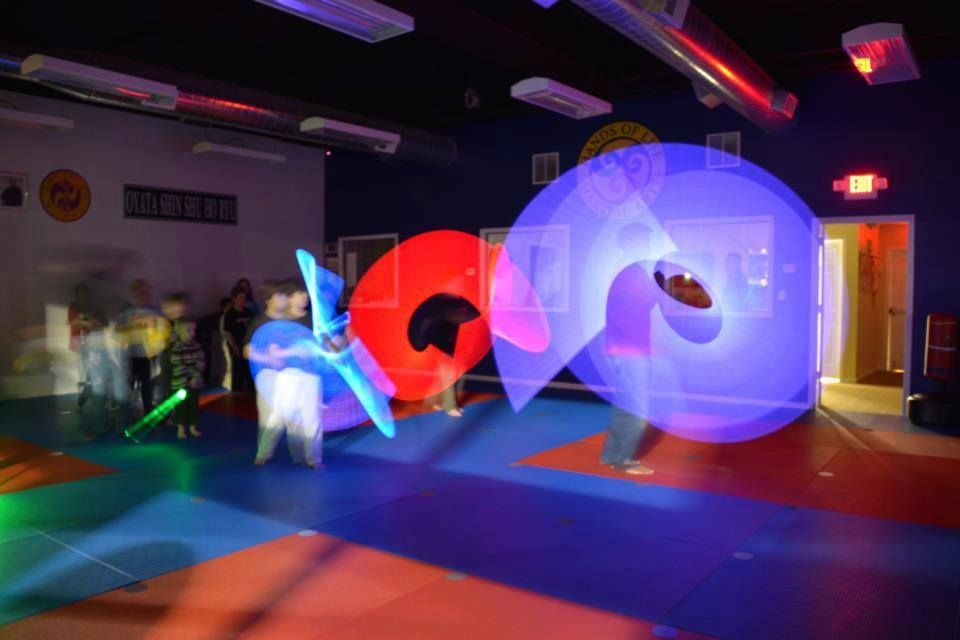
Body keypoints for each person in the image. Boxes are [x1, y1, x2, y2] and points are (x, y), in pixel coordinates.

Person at [601, 223, 658, 475]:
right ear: (629, 244)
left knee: (625, 404)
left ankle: (612, 456)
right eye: (642, 240)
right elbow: (633, 310)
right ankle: (623, 459)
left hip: (622, 348)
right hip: (630, 350)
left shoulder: (626, 270)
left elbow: (636, 307)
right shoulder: (631, 273)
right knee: (637, 409)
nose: (646, 245)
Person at [115, 279, 167, 417]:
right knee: (129, 384)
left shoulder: (156, 311)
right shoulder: (127, 312)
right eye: (139, 291)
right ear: (134, 294)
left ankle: (149, 412)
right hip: (130, 355)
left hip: (149, 355)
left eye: (145, 291)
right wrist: (122, 338)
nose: (143, 294)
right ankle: (124, 414)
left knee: (147, 386)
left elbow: (164, 330)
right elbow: (117, 330)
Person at [163, 294, 206, 439]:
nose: (191, 333)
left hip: (193, 382)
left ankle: (192, 426)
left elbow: (200, 361)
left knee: (193, 405)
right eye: (188, 330)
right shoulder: (174, 339)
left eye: (192, 330)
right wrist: (185, 379)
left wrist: (194, 377)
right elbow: (176, 361)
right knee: (180, 405)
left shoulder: (195, 344)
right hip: (179, 379)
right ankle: (179, 425)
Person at [223, 286, 254, 392]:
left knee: (249, 372)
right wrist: (234, 346)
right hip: (237, 346)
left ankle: (251, 393)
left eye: (244, 298)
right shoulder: (230, 314)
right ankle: (236, 394)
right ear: (234, 298)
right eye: (240, 297)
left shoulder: (248, 312)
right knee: (237, 373)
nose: (243, 300)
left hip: (248, 346)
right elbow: (227, 332)